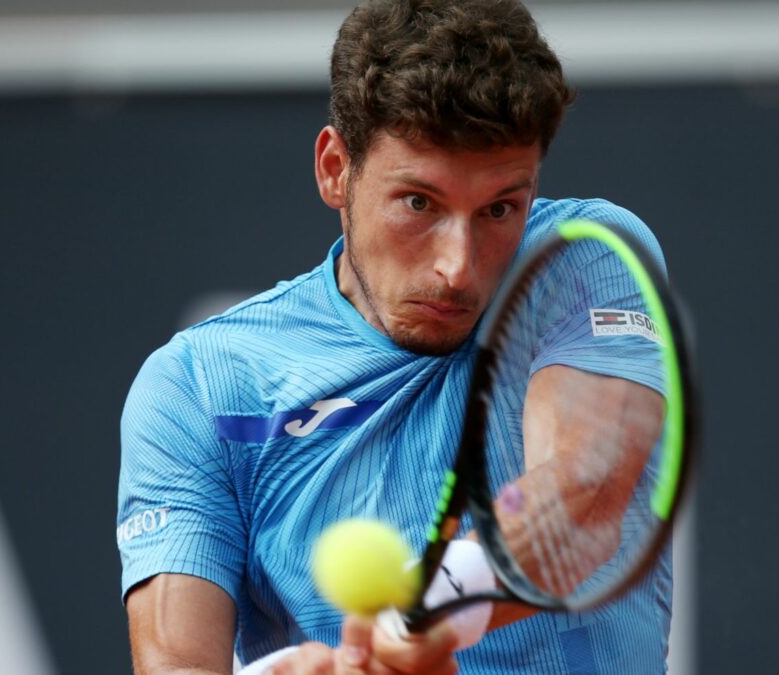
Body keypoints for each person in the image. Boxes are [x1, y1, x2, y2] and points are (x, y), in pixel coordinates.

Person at [118, 0, 672, 672]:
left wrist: (426, 606)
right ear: (334, 169)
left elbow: (582, 494)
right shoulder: (199, 385)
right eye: (419, 203)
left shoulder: (582, 260)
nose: (457, 267)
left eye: (500, 208)